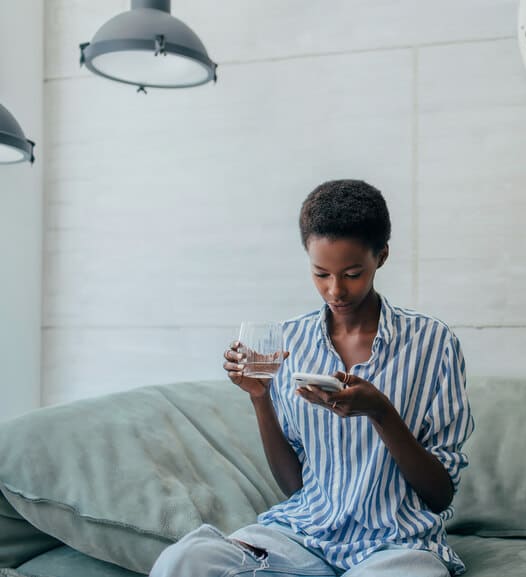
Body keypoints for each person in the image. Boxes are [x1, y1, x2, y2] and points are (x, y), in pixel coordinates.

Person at [149, 179, 474, 577]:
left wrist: (381, 413)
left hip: (395, 543)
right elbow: (295, 486)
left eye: (352, 273)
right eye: (321, 274)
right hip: (303, 535)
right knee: (186, 560)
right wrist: (260, 398)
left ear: (382, 256)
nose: (335, 290)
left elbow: (439, 495)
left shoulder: (433, 343)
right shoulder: (291, 341)